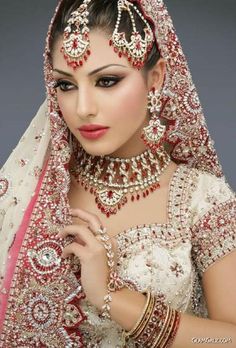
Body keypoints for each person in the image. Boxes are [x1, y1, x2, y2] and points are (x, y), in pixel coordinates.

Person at [0, 0, 235, 346]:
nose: (83, 108)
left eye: (107, 80)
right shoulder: (30, 193)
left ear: (155, 79)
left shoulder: (203, 201)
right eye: (66, 85)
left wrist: (112, 299)